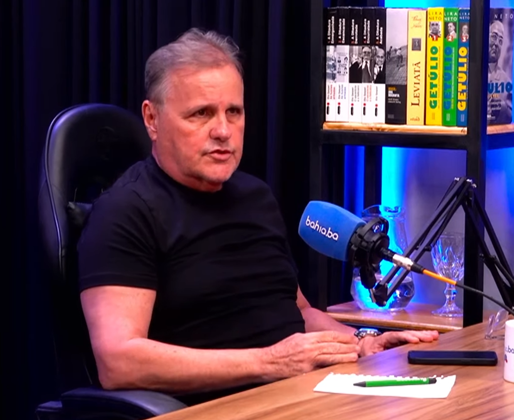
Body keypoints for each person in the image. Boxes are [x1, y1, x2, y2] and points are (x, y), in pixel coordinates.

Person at [77, 28, 439, 406]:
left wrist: (363, 342)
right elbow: (118, 362)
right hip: (215, 408)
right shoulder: (124, 213)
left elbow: (298, 313)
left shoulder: (255, 196)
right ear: (152, 119)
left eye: (233, 112)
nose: (223, 131)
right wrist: (270, 363)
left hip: (305, 394)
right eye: (201, 113)